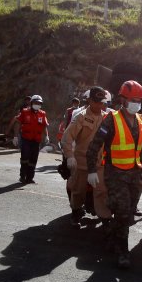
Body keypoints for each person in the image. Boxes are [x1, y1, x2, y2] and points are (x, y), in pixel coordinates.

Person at [85, 80, 142, 269]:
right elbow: (94, 146)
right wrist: (91, 171)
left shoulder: (140, 120)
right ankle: (123, 252)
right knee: (121, 211)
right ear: (123, 99)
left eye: (139, 100)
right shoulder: (111, 120)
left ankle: (111, 234)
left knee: (128, 214)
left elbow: (141, 148)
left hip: (134, 174)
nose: (137, 103)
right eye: (133, 100)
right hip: (116, 173)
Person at [61, 87, 111, 227]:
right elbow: (67, 138)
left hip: (99, 163)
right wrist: (69, 156)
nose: (99, 105)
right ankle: (76, 213)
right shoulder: (80, 116)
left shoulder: (107, 118)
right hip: (81, 162)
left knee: (102, 191)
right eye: (96, 102)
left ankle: (105, 218)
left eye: (102, 102)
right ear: (89, 100)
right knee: (78, 190)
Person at [13, 95, 49, 184]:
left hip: (36, 141)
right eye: (36, 103)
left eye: (39, 103)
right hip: (26, 139)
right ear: (32, 103)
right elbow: (17, 123)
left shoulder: (42, 113)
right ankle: (22, 176)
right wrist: (15, 136)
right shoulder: (25, 112)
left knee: (33, 160)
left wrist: (47, 136)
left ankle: (30, 178)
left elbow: (44, 126)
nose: (37, 104)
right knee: (25, 158)